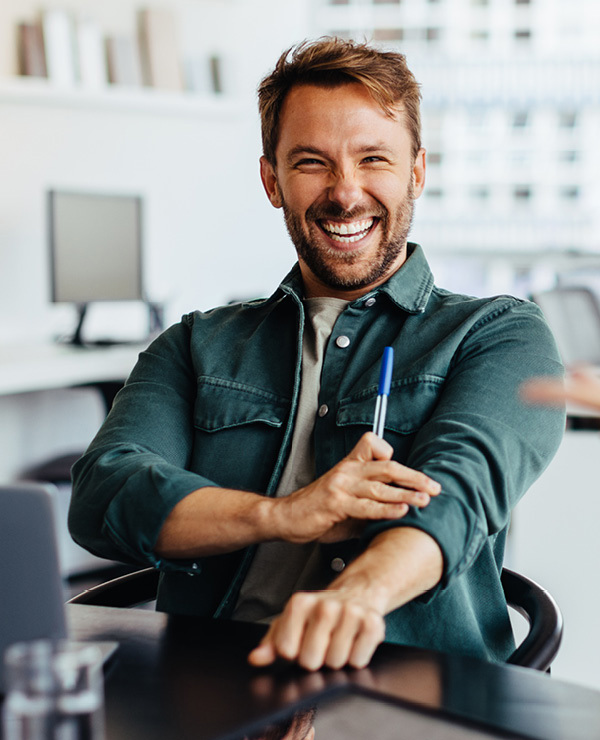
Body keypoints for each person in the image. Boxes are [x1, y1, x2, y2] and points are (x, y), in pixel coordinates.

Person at [69, 37, 565, 672]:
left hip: (404, 694)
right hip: (213, 690)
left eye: (373, 159)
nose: (345, 192)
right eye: (311, 163)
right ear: (272, 181)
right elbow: (105, 493)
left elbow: (458, 493)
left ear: (416, 171)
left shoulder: (497, 333)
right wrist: (284, 515)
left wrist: (358, 597)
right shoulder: (194, 344)